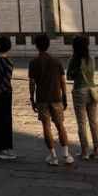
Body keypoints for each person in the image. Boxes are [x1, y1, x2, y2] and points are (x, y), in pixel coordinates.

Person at [28, 33, 74, 166]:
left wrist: (32, 98)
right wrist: (64, 97)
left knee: (46, 126)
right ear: (48, 45)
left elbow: (32, 83)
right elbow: (62, 81)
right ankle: (66, 154)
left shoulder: (33, 62)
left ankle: (53, 156)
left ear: (36, 46)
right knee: (60, 125)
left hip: (42, 99)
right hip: (56, 98)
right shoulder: (56, 61)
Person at [66, 35, 98, 160]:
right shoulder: (91, 58)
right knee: (93, 122)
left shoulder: (74, 59)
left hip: (79, 90)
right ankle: (96, 151)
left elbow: (69, 77)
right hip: (92, 90)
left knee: (81, 123)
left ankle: (84, 151)